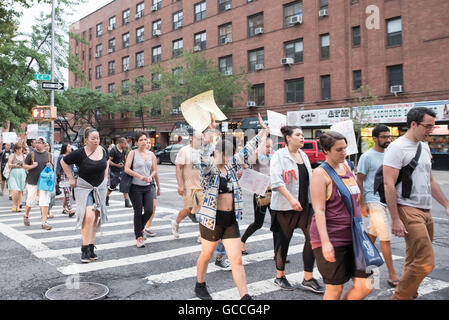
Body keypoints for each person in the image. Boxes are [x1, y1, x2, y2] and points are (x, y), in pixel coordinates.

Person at [194, 113, 269, 301]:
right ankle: (200, 284)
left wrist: (264, 131)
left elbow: (249, 148)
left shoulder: (232, 167)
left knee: (237, 259)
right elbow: (202, 156)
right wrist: (210, 130)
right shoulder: (209, 171)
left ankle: (245, 297)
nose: (225, 157)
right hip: (212, 220)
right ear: (216, 152)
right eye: (222, 153)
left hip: (230, 220)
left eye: (228, 154)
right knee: (207, 254)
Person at [383, 107, 449, 300]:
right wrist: (395, 219)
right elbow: (388, 184)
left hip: (426, 210)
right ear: (413, 124)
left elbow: (430, 181)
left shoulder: (424, 146)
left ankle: (408, 294)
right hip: (407, 208)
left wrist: (445, 204)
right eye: (428, 126)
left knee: (413, 258)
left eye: (433, 126)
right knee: (426, 261)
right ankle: (400, 297)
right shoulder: (397, 148)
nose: (431, 130)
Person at [309, 131, 373, 300]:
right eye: (339, 149)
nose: (344, 152)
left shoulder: (347, 167)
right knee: (335, 289)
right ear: (326, 151)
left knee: (366, 285)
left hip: (354, 235)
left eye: (345, 148)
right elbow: (319, 210)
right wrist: (325, 243)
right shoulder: (320, 174)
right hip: (332, 237)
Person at [269, 126, 324, 293]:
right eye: (298, 135)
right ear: (288, 138)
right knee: (283, 241)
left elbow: (308, 179)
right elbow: (276, 181)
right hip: (285, 207)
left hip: (305, 206)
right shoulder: (279, 155)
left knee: (313, 239)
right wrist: (291, 199)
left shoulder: (304, 155)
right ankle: (280, 276)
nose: (302, 138)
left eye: (302, 135)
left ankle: (308, 278)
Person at [356, 124, 400, 287]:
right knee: (385, 236)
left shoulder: (391, 155)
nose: (387, 140)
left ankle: (359, 263)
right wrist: (362, 203)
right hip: (372, 199)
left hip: (388, 200)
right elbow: (359, 179)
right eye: (384, 137)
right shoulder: (366, 157)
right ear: (375, 138)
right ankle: (392, 274)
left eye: (389, 137)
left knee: (372, 236)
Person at [61, 128, 109, 263]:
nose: (96, 141)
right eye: (93, 138)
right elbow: (63, 162)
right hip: (84, 187)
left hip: (100, 187)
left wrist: (105, 177)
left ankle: (91, 247)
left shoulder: (103, 150)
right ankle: (84, 247)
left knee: (96, 216)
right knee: (88, 215)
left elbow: (107, 163)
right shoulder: (80, 153)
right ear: (86, 139)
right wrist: (71, 178)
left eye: (98, 138)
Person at [124, 132, 157, 248]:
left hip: (147, 186)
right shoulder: (132, 153)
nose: (144, 142)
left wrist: (150, 176)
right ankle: (139, 236)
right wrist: (139, 176)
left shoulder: (151, 154)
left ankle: (139, 227)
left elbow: (154, 170)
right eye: (141, 140)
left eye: (145, 139)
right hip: (135, 187)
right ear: (137, 142)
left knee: (149, 210)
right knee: (138, 212)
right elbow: (126, 169)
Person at [241, 137, 273, 254]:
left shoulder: (272, 157)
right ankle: (242, 241)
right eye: (267, 146)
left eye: (271, 146)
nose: (270, 149)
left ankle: (278, 253)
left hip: (273, 193)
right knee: (258, 223)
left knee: (277, 224)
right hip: (260, 194)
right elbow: (248, 161)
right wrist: (259, 147)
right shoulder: (257, 158)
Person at [172, 131, 204, 242]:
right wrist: (180, 185)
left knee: (204, 209)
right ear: (192, 138)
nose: (201, 141)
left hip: (203, 185)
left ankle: (202, 234)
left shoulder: (203, 151)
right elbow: (178, 168)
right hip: (189, 185)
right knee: (187, 209)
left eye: (202, 139)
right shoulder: (184, 151)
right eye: (200, 139)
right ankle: (176, 223)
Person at [22, 137, 54, 230]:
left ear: (44, 144)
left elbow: (52, 168)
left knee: (45, 202)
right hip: (33, 181)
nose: (37, 144)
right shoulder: (31, 154)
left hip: (44, 183)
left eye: (39, 142)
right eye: (36, 142)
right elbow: (24, 166)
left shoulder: (49, 155)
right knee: (31, 201)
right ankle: (26, 215)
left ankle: (44, 222)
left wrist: (50, 166)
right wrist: (32, 166)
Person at [106, 137, 132, 207]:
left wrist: (127, 166)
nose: (126, 145)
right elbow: (109, 161)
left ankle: (127, 202)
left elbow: (125, 159)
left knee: (124, 185)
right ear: (120, 143)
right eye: (125, 143)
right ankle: (106, 197)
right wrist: (116, 165)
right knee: (113, 185)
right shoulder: (113, 150)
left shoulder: (123, 150)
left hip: (122, 170)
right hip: (114, 171)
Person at [143, 137, 161, 237]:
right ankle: (140, 226)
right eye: (147, 142)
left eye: (150, 142)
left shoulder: (152, 155)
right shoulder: (136, 154)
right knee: (142, 208)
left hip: (151, 184)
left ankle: (147, 227)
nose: (148, 144)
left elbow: (156, 172)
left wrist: (159, 186)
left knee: (153, 207)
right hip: (139, 184)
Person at [56, 143, 75, 217]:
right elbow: (58, 168)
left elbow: (72, 167)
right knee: (67, 192)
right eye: (69, 146)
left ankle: (64, 208)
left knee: (68, 193)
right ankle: (70, 209)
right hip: (63, 175)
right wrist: (56, 178)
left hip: (71, 175)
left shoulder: (71, 156)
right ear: (65, 148)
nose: (70, 147)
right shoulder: (61, 157)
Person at [7, 144, 27, 212]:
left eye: (20, 149)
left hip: (22, 174)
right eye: (17, 149)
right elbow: (9, 164)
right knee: (15, 190)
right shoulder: (12, 155)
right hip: (13, 173)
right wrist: (14, 165)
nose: (18, 151)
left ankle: (18, 206)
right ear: (15, 149)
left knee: (20, 191)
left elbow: (27, 164)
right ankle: (14, 204)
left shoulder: (24, 156)